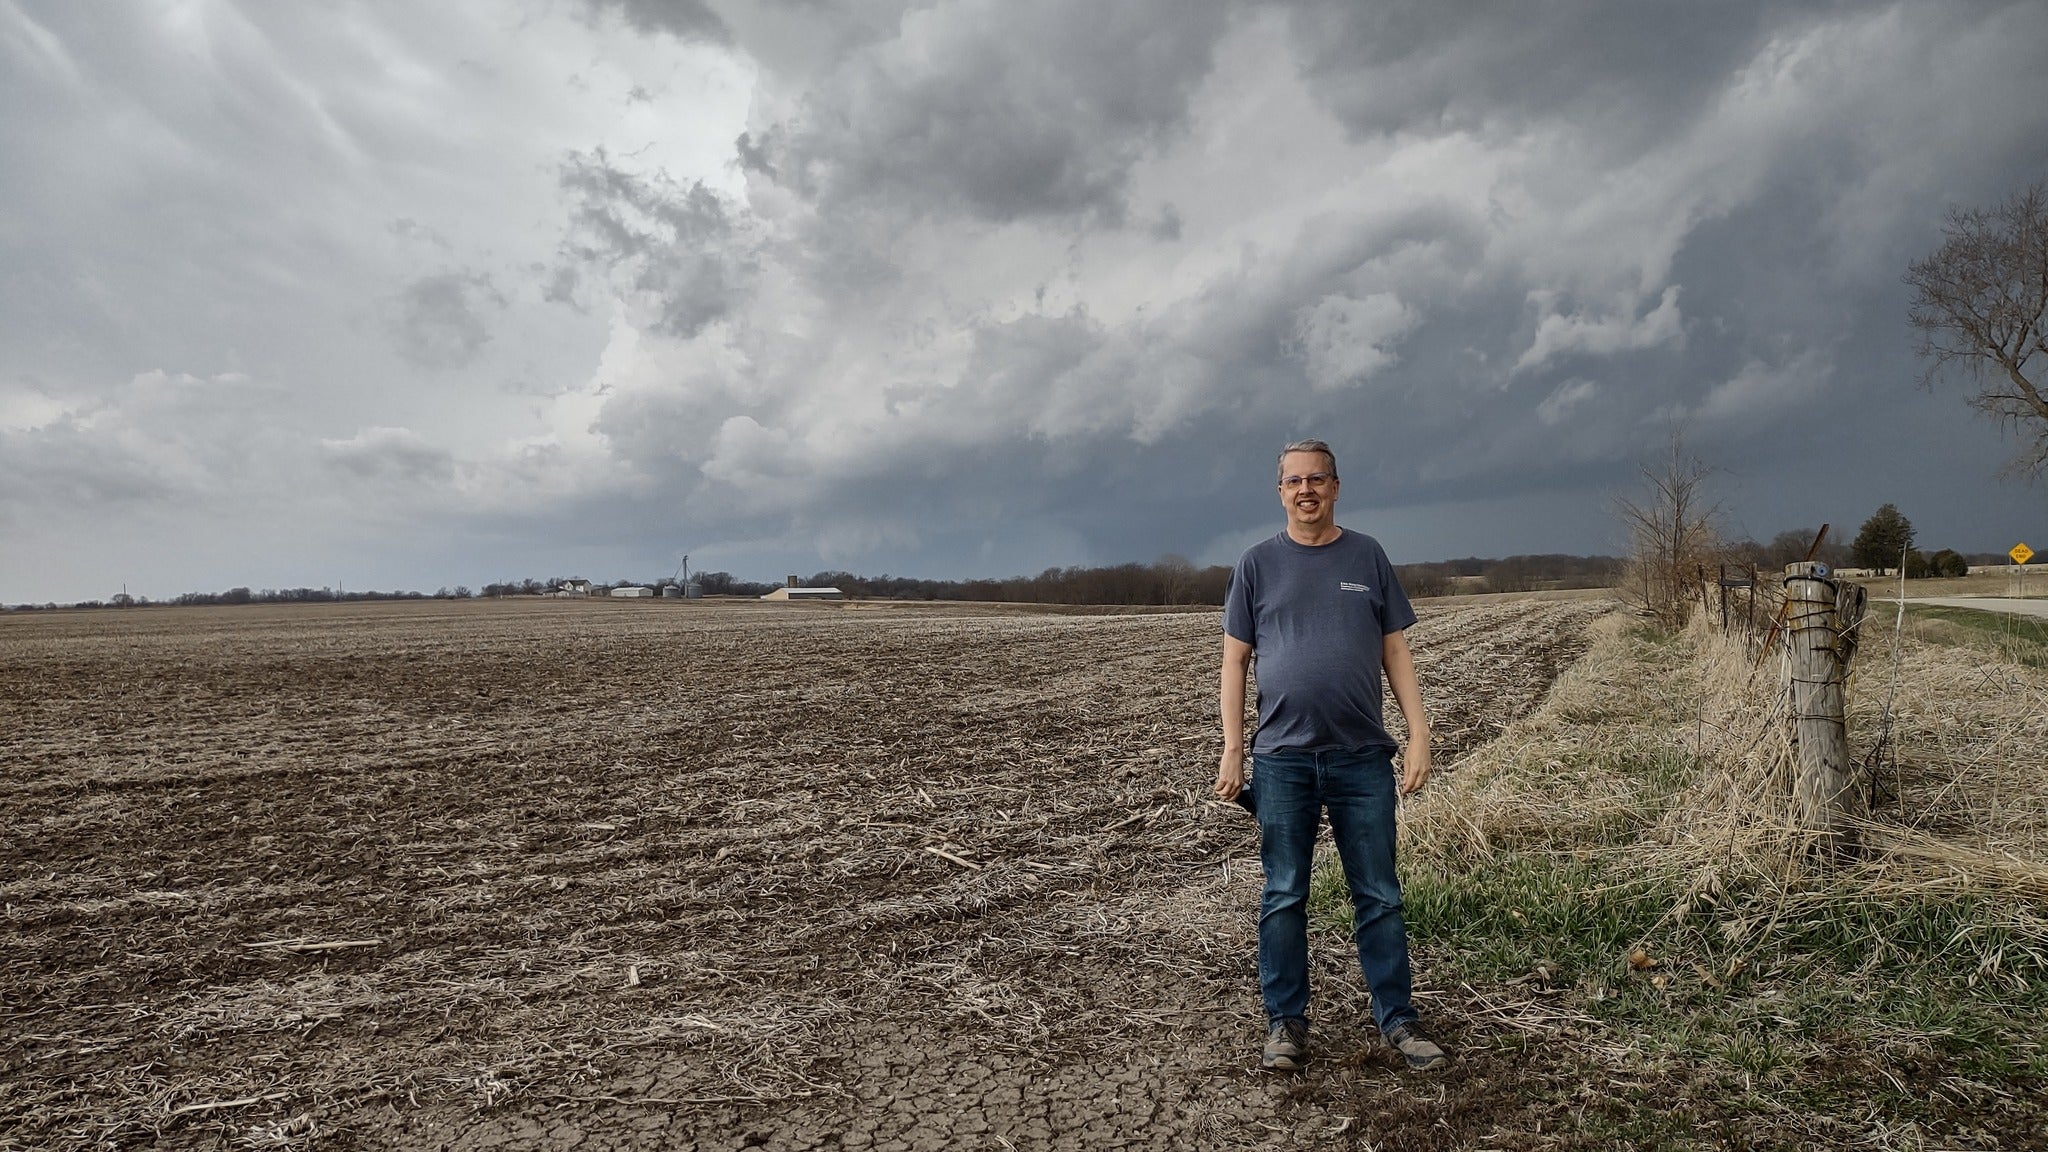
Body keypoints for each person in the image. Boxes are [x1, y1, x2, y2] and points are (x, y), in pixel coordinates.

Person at [1213, 438, 1447, 1073]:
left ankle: (1397, 1020)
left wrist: (1419, 732)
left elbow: (1394, 651)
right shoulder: (1255, 564)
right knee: (1285, 893)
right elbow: (1235, 661)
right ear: (1281, 492)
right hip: (1283, 759)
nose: (1306, 489)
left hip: (1361, 758)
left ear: (1337, 487)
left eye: (1318, 479)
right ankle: (1287, 1023)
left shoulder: (1367, 556)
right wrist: (1235, 750)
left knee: (1379, 894)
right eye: (1294, 481)